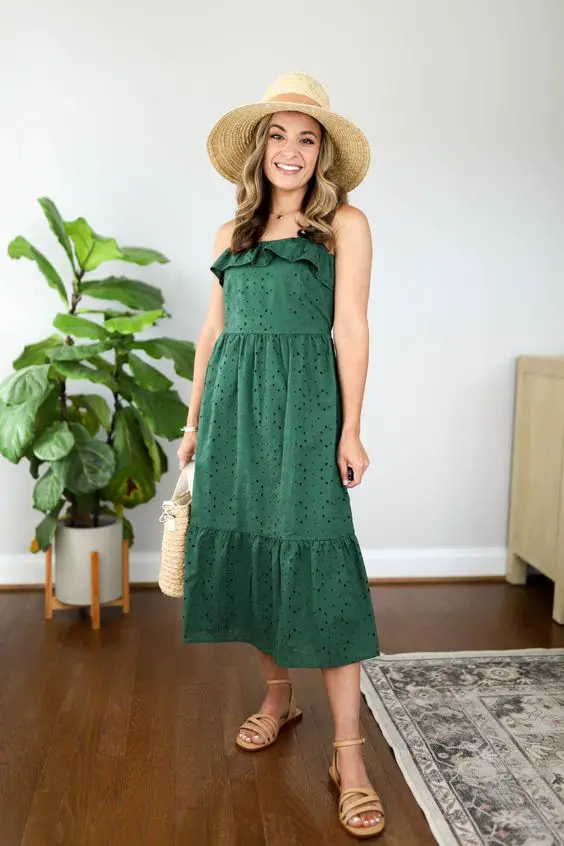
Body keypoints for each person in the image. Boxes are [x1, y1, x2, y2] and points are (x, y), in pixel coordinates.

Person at [178, 72, 385, 838]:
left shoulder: (344, 226)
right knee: (254, 554)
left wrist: (351, 427)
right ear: (259, 148)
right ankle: (278, 697)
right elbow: (212, 333)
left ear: (321, 152)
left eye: (306, 137)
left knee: (318, 561)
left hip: (305, 411)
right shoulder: (231, 234)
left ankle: (349, 757)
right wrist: (194, 420)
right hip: (233, 414)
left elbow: (351, 327)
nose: (290, 150)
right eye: (277, 135)